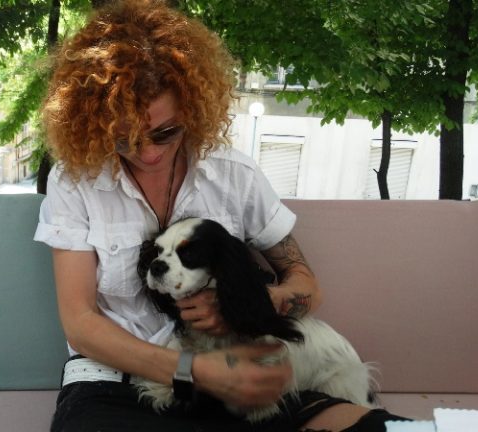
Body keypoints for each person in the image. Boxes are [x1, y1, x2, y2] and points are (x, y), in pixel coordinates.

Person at [34, 1, 405, 430]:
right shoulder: (76, 181)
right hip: (116, 383)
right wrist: (192, 370)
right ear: (95, 123)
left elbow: (307, 286)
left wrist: (240, 305)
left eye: (165, 132)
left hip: (242, 381)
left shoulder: (233, 174)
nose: (149, 153)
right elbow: (80, 323)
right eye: (125, 139)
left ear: (191, 108)